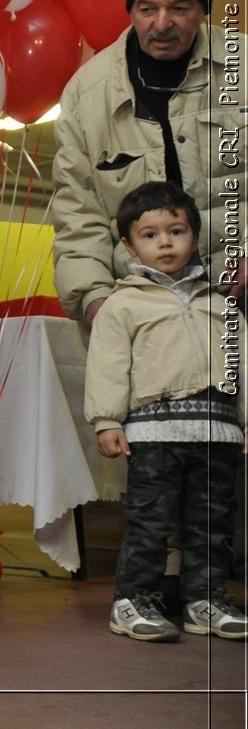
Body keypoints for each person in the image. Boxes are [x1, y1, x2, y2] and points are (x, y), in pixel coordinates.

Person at [53, 0, 244, 326]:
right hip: (144, 313)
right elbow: (78, 215)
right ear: (130, 9)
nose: (161, 24)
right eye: (146, 8)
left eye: (179, 7)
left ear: (204, 10)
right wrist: (93, 298)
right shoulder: (86, 96)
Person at [84, 180, 245, 642]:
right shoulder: (124, 303)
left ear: (194, 235)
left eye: (176, 231)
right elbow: (109, 365)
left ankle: (205, 601)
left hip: (218, 435)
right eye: (150, 234)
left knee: (212, 526)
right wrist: (108, 419)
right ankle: (133, 601)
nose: (165, 242)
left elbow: (243, 363)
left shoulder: (219, 303)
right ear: (129, 244)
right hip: (154, 436)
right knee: (151, 525)